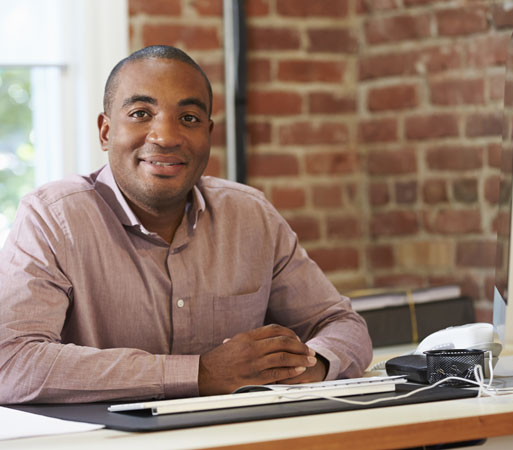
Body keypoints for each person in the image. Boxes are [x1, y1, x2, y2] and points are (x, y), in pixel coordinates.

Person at [0, 45, 372, 403]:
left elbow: (342, 325)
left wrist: (312, 366)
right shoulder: (51, 218)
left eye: (189, 119)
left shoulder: (251, 215)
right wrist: (201, 374)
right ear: (105, 132)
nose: (166, 137)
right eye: (141, 113)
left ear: (208, 135)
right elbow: (11, 362)